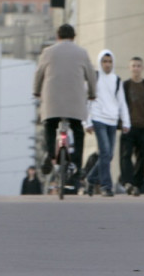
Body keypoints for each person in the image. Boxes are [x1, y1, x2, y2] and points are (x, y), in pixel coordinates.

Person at [33, 24, 98, 186]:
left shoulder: (47, 52)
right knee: (77, 130)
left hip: (52, 101)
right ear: (74, 37)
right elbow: (91, 75)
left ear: (58, 36)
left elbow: (38, 74)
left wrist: (36, 91)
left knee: (50, 125)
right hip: (74, 102)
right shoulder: (82, 53)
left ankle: (50, 153)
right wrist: (92, 93)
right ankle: (76, 164)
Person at [84, 50, 130, 197]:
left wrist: (126, 122)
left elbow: (122, 102)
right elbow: (85, 101)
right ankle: (106, 186)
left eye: (109, 61)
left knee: (109, 155)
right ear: (100, 62)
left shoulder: (117, 80)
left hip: (112, 120)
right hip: (98, 119)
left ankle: (90, 179)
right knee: (105, 152)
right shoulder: (94, 78)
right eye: (104, 61)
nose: (107, 64)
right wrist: (87, 122)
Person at [119, 56, 144, 197]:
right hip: (128, 127)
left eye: (138, 66)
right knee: (126, 155)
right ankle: (128, 182)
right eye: (133, 66)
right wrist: (121, 123)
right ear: (130, 68)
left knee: (142, 157)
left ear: (142, 68)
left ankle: (137, 183)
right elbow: (120, 105)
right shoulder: (125, 86)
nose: (136, 68)